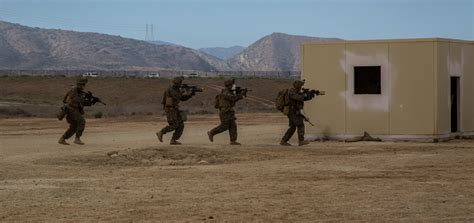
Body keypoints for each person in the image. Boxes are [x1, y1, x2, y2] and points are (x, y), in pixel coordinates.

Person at [156, 76, 194, 145]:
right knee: (174, 125)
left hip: (175, 109)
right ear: (176, 83)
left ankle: (173, 140)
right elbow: (177, 96)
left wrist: (190, 95)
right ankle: (161, 132)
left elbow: (182, 98)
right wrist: (183, 91)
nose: (181, 84)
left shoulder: (176, 89)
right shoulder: (170, 89)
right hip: (170, 110)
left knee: (181, 125)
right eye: (180, 83)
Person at [207, 79, 245, 145]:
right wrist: (240, 95)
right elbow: (233, 98)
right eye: (232, 85)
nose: (233, 87)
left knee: (233, 126)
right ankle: (211, 132)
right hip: (225, 112)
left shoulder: (229, 93)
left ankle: (233, 141)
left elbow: (233, 101)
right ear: (229, 86)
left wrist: (239, 95)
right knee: (224, 126)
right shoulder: (225, 93)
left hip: (229, 112)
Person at [58, 77, 90, 145]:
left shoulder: (77, 91)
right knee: (82, 121)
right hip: (72, 110)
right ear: (80, 85)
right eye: (83, 85)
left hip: (71, 110)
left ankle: (62, 139)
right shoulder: (74, 91)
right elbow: (76, 100)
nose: (84, 86)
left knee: (74, 126)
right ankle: (77, 139)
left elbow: (64, 100)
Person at [280, 80, 313, 146]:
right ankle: (301, 141)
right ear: (298, 86)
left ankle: (283, 141)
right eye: (301, 86)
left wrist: (309, 96)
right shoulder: (292, 92)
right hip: (292, 111)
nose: (301, 87)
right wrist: (306, 95)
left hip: (293, 111)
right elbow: (299, 98)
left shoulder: (296, 92)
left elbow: (302, 100)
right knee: (300, 124)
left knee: (293, 127)